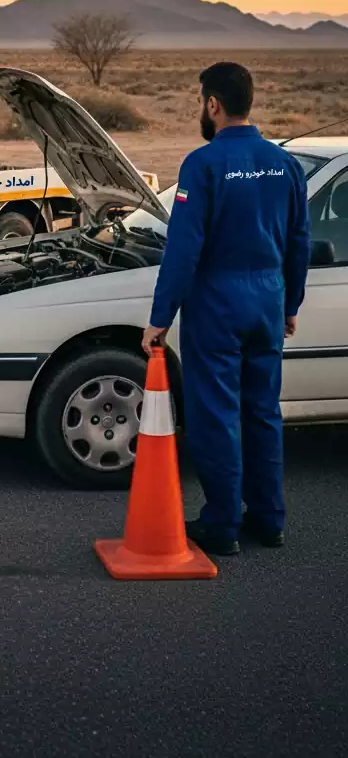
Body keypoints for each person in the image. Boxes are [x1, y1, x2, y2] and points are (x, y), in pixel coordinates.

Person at [142, 62, 310, 556]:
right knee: (262, 411)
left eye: (202, 102)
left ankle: (221, 524)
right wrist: (291, 302)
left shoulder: (204, 163)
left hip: (217, 303)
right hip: (267, 301)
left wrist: (160, 316)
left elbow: (183, 249)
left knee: (216, 413)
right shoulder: (285, 164)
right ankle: (268, 518)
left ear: (212, 104)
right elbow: (299, 241)